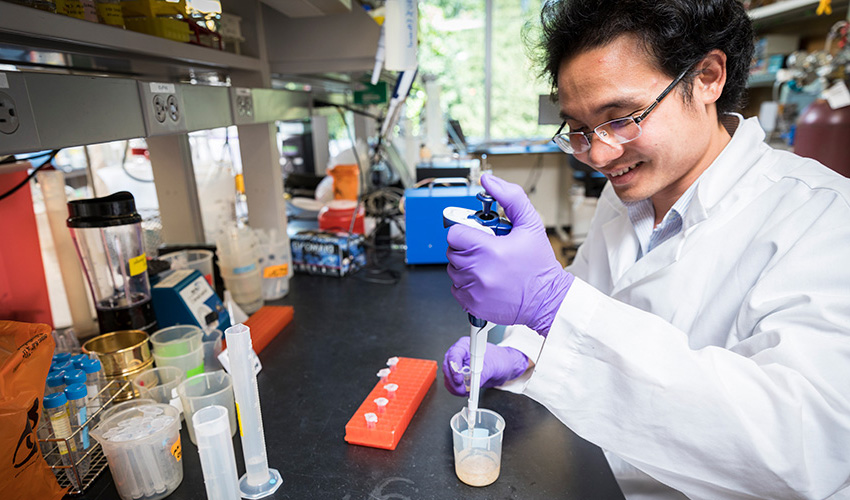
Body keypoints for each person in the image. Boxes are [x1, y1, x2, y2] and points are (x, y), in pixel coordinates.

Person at [441, 1, 850, 498]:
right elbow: (591, 304)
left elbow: (805, 449)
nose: (598, 154)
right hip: (602, 469)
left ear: (707, 77)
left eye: (621, 117)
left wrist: (551, 302)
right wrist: (520, 350)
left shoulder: (825, 218)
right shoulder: (629, 194)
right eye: (578, 128)